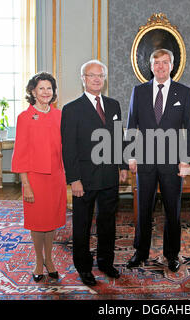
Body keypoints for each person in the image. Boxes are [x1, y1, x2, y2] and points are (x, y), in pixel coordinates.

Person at [125, 49, 190, 272]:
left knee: (172, 210)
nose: (161, 67)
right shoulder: (139, 91)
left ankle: (172, 254)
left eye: (165, 62)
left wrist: (186, 160)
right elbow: (131, 126)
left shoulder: (184, 92)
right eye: (156, 63)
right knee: (143, 208)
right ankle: (141, 251)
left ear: (172, 65)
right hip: (145, 160)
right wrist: (131, 155)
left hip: (172, 163)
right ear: (151, 66)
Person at [61, 60, 128, 286]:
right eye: (92, 76)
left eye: (100, 75)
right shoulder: (71, 109)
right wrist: (74, 179)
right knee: (82, 225)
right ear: (83, 79)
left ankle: (106, 262)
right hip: (84, 179)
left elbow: (119, 138)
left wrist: (123, 166)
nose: (97, 79)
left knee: (108, 223)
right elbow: (68, 148)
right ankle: (84, 268)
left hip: (109, 176)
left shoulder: (114, 105)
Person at [11, 72, 67, 282]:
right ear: (33, 91)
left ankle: (49, 260)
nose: (46, 92)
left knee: (51, 221)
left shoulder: (59, 115)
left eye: (49, 88)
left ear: (54, 92)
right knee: (37, 222)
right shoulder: (24, 118)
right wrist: (26, 184)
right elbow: (21, 153)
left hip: (56, 177)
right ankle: (37, 261)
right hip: (34, 178)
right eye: (41, 88)